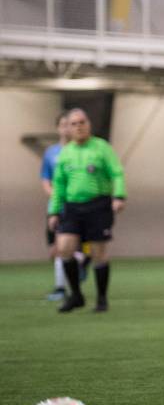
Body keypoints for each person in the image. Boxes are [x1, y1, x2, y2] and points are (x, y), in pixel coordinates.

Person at [47, 108, 125, 313]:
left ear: (88, 124)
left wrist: (119, 196)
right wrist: (53, 211)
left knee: (99, 252)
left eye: (82, 122)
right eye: (74, 124)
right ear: (68, 129)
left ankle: (101, 299)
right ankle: (76, 295)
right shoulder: (66, 154)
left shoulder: (101, 148)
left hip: (98, 205)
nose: (79, 126)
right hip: (72, 207)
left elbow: (117, 173)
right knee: (64, 248)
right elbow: (59, 185)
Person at [40, 112, 91, 301]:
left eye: (69, 124)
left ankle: (80, 268)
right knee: (57, 250)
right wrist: (57, 197)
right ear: (58, 128)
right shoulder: (51, 153)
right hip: (57, 207)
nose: (67, 128)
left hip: (78, 207)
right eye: (63, 125)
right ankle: (62, 286)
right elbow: (46, 180)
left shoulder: (83, 150)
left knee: (85, 247)